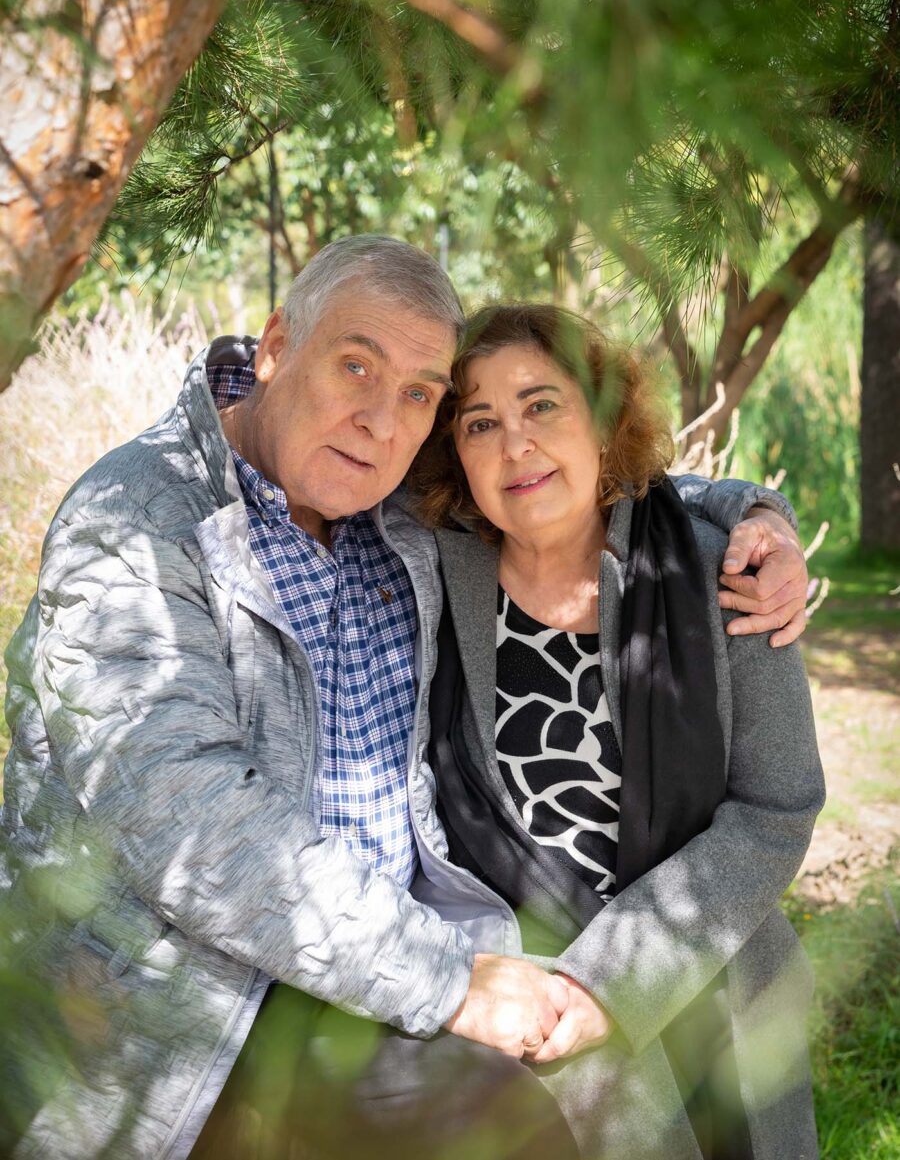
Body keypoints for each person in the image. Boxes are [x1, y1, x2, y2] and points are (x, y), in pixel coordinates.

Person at [0, 236, 808, 1160]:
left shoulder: (387, 511)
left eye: (421, 393)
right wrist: (453, 983)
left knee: (581, 1100)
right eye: (356, 365)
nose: (382, 421)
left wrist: (750, 513)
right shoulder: (137, 525)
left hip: (396, 959)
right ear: (274, 348)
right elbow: (195, 826)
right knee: (513, 1129)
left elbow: (569, 483)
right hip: (192, 995)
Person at [409, 303, 825, 1160]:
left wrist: (613, 978)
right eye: (479, 421)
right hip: (530, 999)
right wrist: (564, 989)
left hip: (714, 966)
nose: (514, 445)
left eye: (543, 405)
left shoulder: (724, 571)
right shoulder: (428, 569)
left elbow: (777, 807)